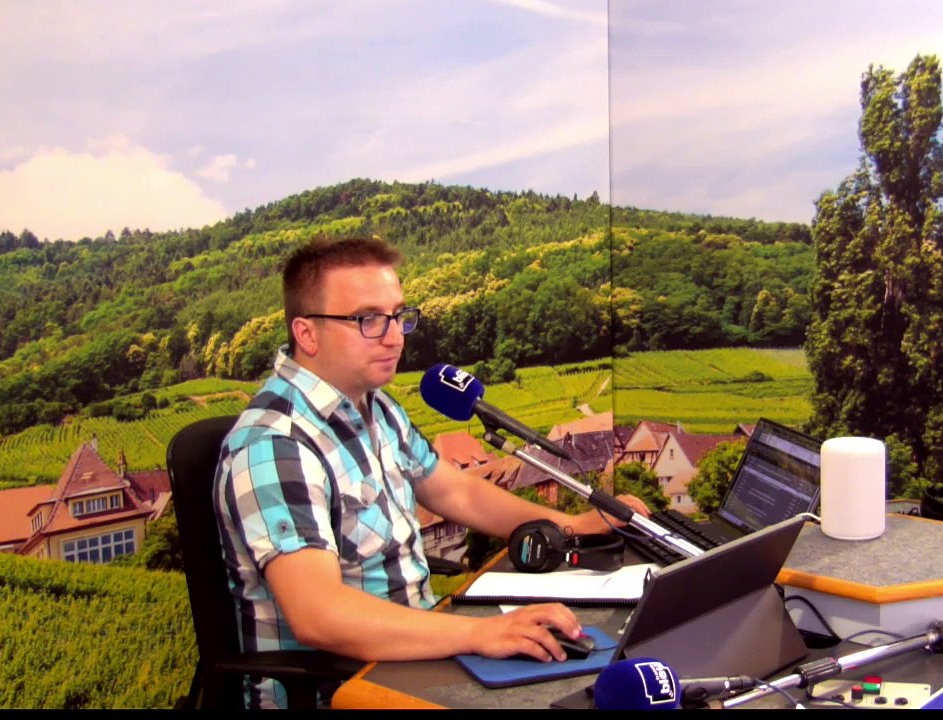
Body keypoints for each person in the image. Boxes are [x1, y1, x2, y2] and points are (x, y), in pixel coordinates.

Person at [213, 236, 650, 708]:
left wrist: (574, 525)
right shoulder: (276, 446)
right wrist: (482, 634)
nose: (395, 337)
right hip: (338, 689)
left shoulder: (376, 407)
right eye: (368, 320)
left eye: (398, 316)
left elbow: (455, 491)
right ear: (307, 333)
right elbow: (320, 616)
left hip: (413, 655)